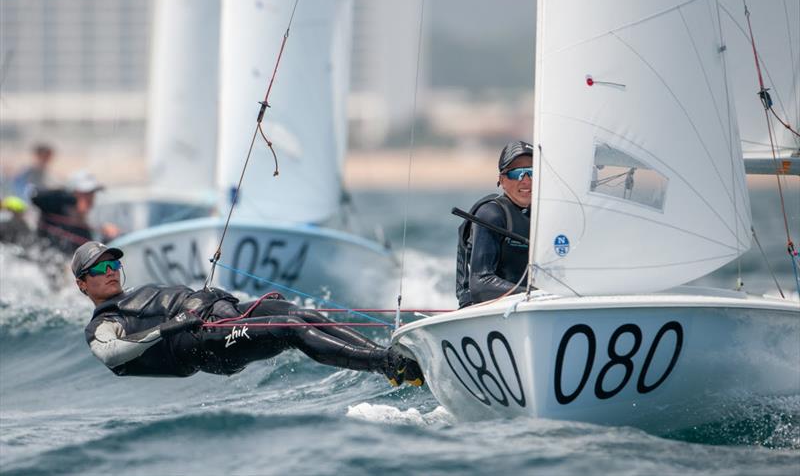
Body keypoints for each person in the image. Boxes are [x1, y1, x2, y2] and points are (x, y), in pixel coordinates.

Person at [73, 241, 424, 387]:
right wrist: (174, 325)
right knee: (288, 327)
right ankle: (384, 364)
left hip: (217, 316)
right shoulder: (103, 325)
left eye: (114, 262)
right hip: (203, 344)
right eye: (99, 267)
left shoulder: (137, 292)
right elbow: (114, 353)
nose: (110, 269)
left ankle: (388, 355)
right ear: (81, 284)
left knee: (293, 312)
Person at [456, 140, 533, 308]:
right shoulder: (491, 214)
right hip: (481, 309)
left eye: (532, 172)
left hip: (534, 304)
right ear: (502, 180)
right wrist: (534, 295)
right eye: (516, 173)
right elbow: (480, 283)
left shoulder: (544, 214)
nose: (526, 180)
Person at [31, 170, 115, 254]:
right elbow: (34, 196)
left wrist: (107, 237)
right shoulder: (54, 210)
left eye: (92, 195)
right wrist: (71, 199)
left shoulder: (84, 229)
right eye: (85, 195)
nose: (90, 200)